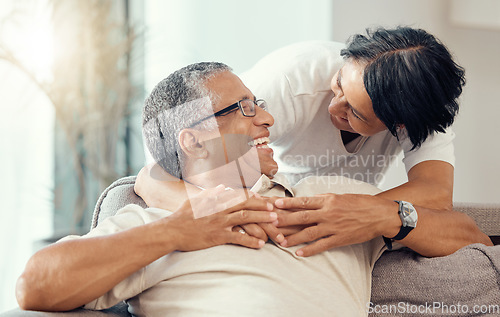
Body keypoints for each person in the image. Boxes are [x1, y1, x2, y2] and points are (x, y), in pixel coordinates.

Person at [16, 62, 490, 317]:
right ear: (194, 138)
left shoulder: (330, 197)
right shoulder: (152, 225)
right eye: (245, 108)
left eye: (259, 103)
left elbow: (474, 237)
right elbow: (34, 285)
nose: (267, 118)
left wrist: (389, 217)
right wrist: (176, 232)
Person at [134, 26, 470, 255]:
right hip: (278, 202)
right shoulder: (287, 82)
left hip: (343, 217)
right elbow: (167, 165)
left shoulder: (420, 110)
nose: (332, 106)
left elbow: (436, 195)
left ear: (398, 125)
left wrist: (364, 213)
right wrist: (236, 214)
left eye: (353, 112)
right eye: (339, 83)